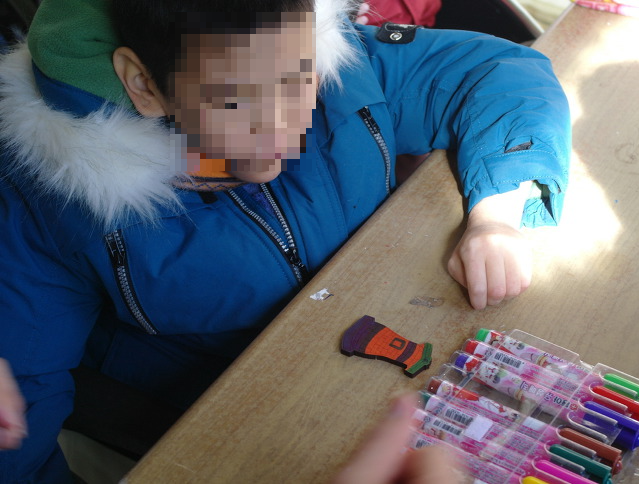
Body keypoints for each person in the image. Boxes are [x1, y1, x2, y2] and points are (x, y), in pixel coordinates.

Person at [0, 0, 570, 480]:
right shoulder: (47, 201)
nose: (283, 124)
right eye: (235, 100)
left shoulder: (341, 65)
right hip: (244, 420)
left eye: (299, 80)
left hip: (396, 342)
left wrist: (498, 213)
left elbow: (501, 70)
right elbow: (20, 413)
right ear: (144, 85)